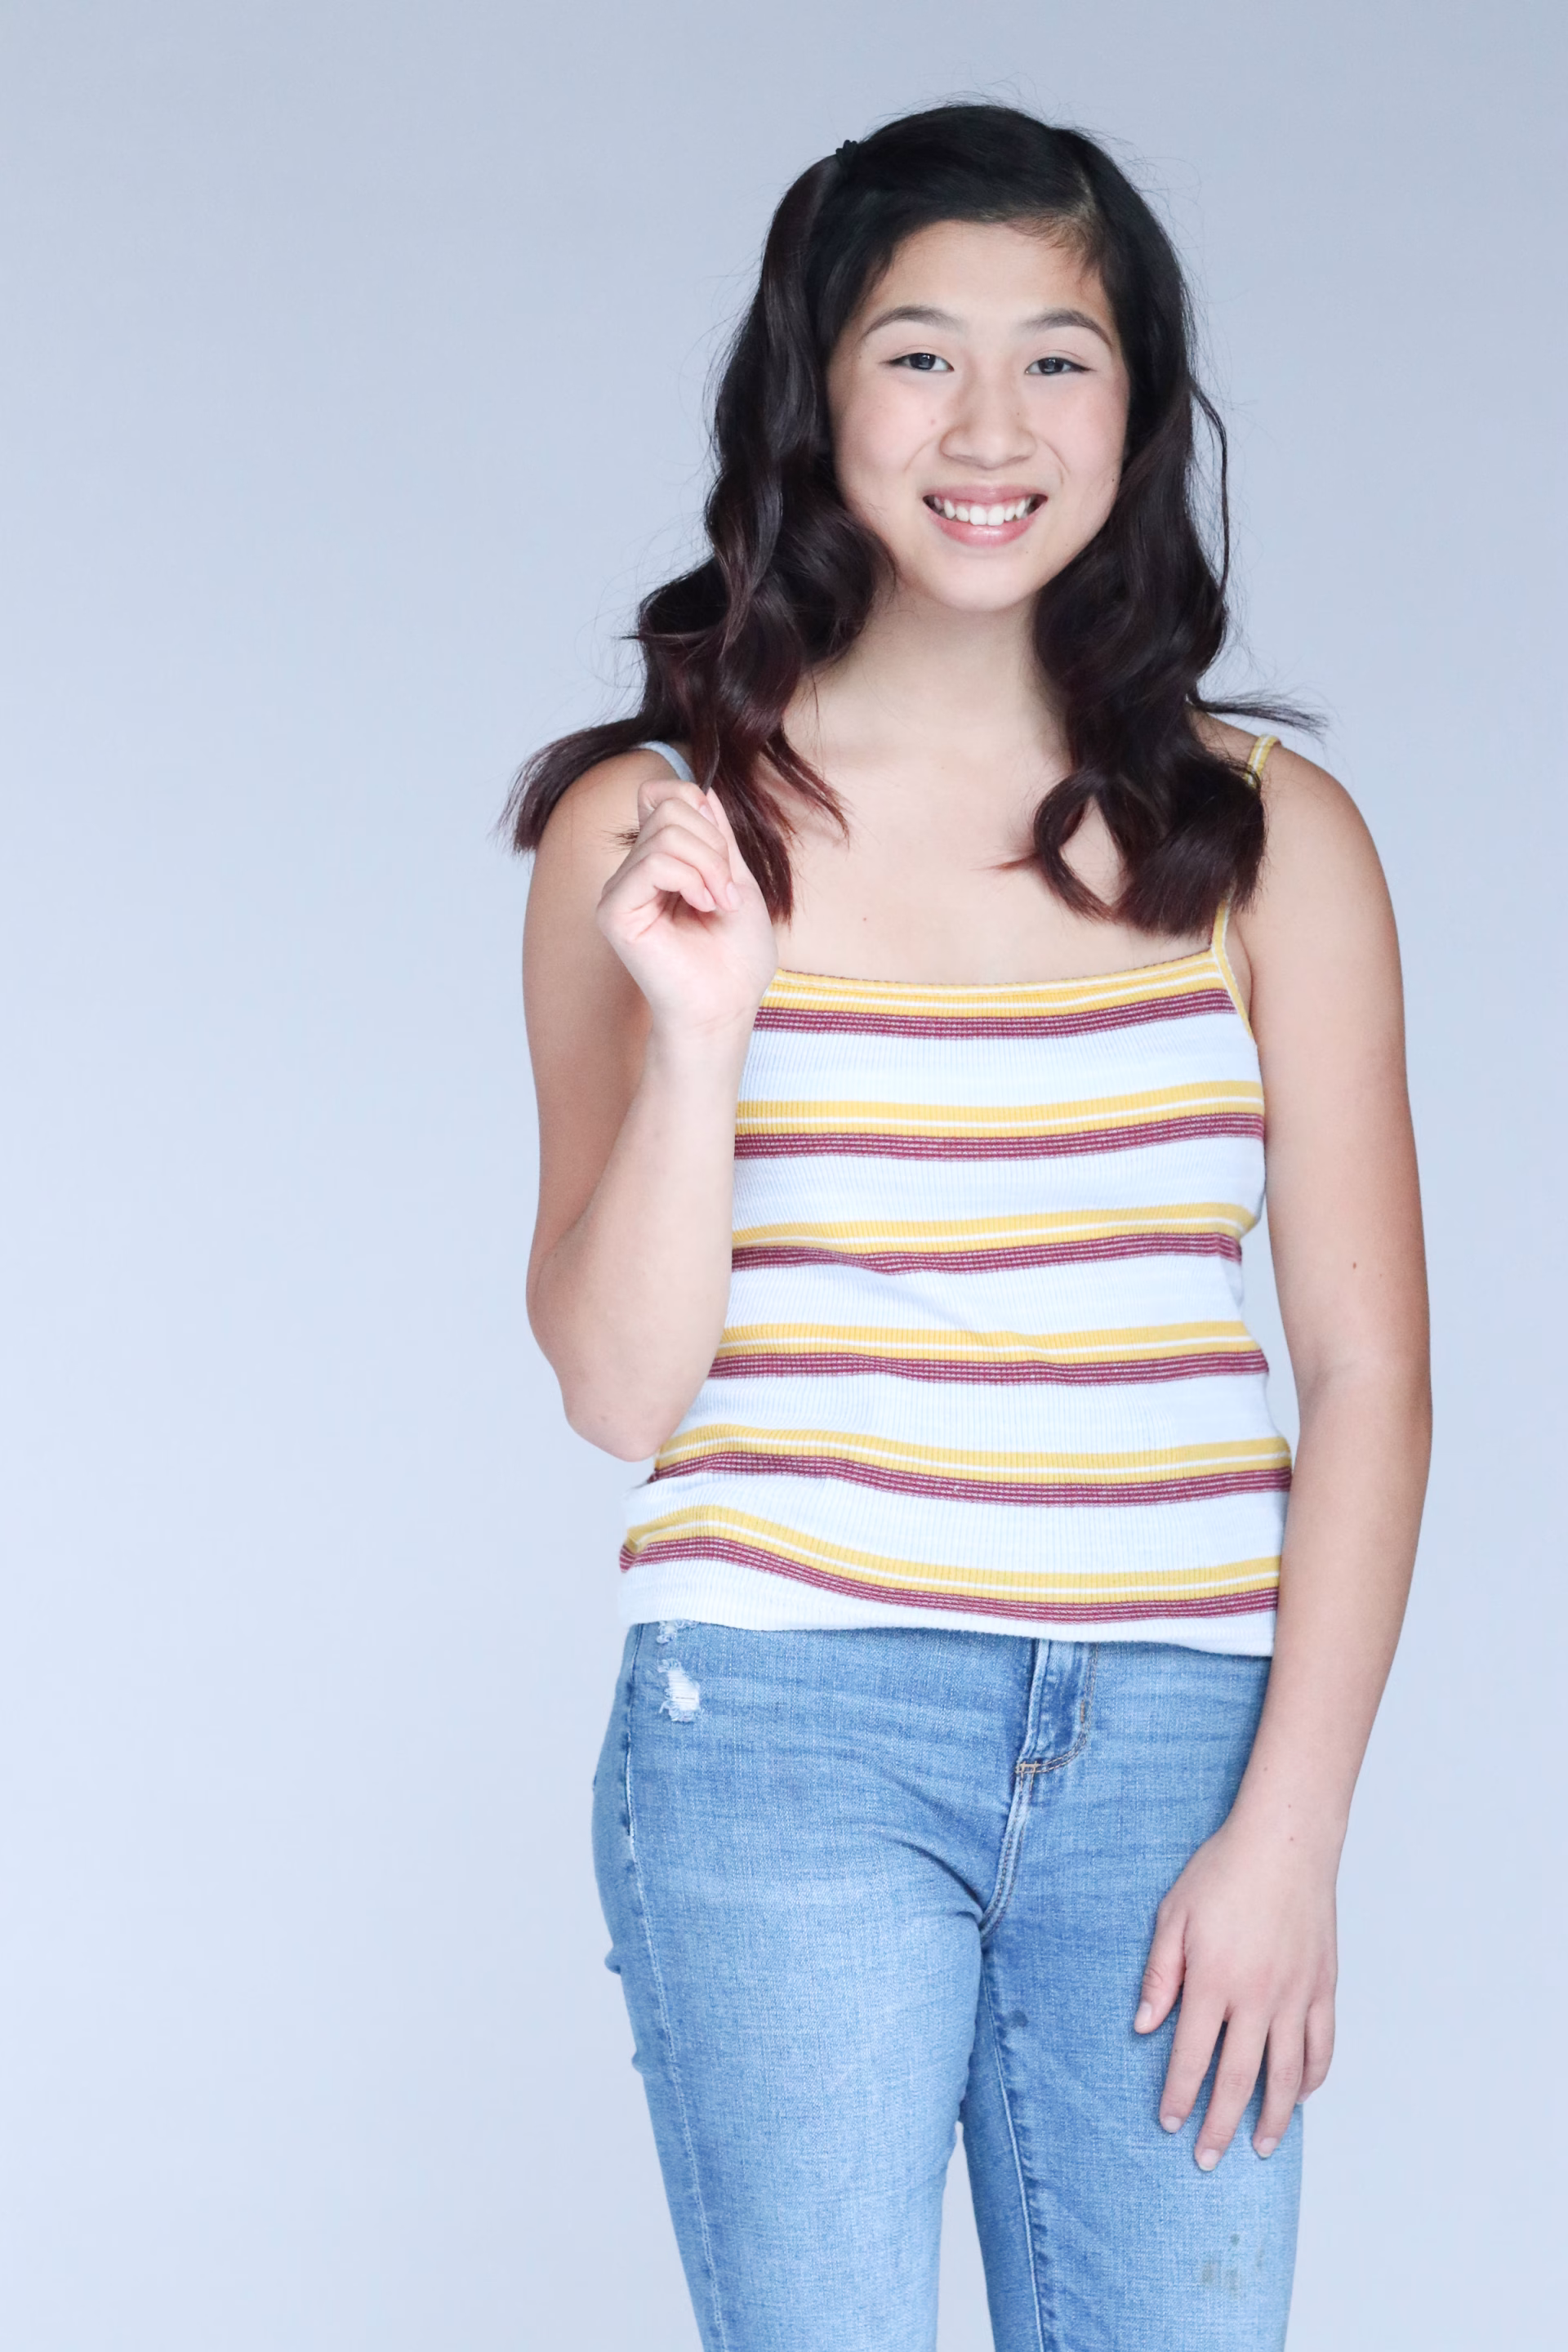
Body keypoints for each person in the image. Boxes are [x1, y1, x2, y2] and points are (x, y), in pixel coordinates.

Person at [510, 103, 1430, 2352]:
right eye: (920, 355)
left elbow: (1372, 1374)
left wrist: (1292, 1833)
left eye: (1058, 358)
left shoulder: (1272, 837)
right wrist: (705, 1040)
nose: (990, 427)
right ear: (816, 395)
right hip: (786, 1719)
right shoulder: (656, 825)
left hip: (1184, 1747)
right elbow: (620, 1388)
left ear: (1140, 404)